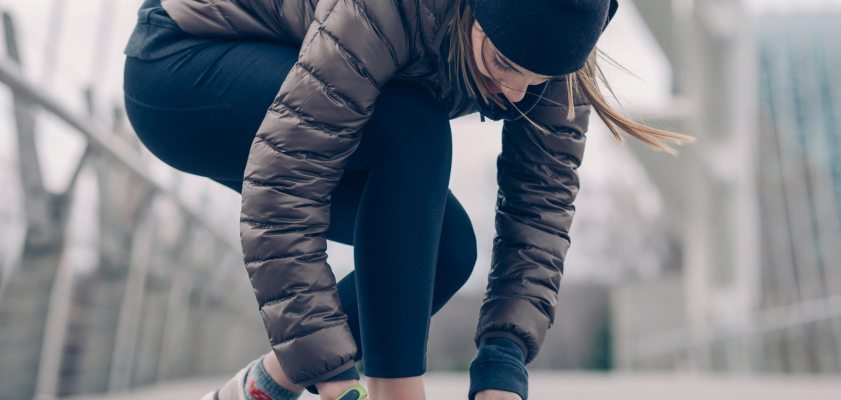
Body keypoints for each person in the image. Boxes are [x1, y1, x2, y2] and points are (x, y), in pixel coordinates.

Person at [121, 0, 694, 399]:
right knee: (412, 124)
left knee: (442, 248)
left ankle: (263, 387)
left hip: (311, 98)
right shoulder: (387, 7)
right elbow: (285, 186)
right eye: (503, 65)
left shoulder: (557, 50)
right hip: (181, 64)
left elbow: (541, 207)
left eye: (538, 79)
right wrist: (338, 372)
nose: (518, 91)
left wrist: (504, 365)